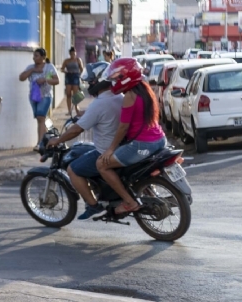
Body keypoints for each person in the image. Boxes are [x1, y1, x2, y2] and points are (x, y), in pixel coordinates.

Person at [47, 62, 124, 220]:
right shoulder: (119, 96)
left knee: (73, 169)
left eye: (91, 82)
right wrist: (85, 113)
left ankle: (93, 205)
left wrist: (58, 139)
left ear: (98, 82)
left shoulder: (99, 103)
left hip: (106, 151)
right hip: (122, 147)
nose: (89, 85)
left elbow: (76, 130)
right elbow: (102, 114)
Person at [96, 58, 167, 215]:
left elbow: (123, 127)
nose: (114, 83)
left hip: (142, 145)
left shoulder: (130, 95)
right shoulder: (145, 89)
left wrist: (110, 150)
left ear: (126, 78)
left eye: (116, 79)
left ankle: (129, 202)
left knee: (101, 164)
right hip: (160, 140)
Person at [19, 48, 60, 151]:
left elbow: (56, 80)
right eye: (34, 56)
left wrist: (45, 79)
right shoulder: (30, 67)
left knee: (41, 118)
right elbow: (21, 77)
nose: (34, 58)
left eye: (36, 56)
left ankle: (40, 144)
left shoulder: (49, 67)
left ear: (43, 57)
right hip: (33, 97)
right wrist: (32, 70)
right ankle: (48, 139)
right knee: (40, 119)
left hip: (45, 96)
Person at [60, 47, 84, 116]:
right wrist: (66, 71)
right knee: (68, 94)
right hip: (68, 77)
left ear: (75, 53)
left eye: (74, 53)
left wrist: (79, 75)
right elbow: (62, 69)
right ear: (70, 54)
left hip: (76, 76)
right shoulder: (66, 61)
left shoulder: (78, 60)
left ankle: (76, 109)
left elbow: (81, 69)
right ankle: (69, 111)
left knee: (75, 95)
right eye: (71, 54)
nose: (73, 55)